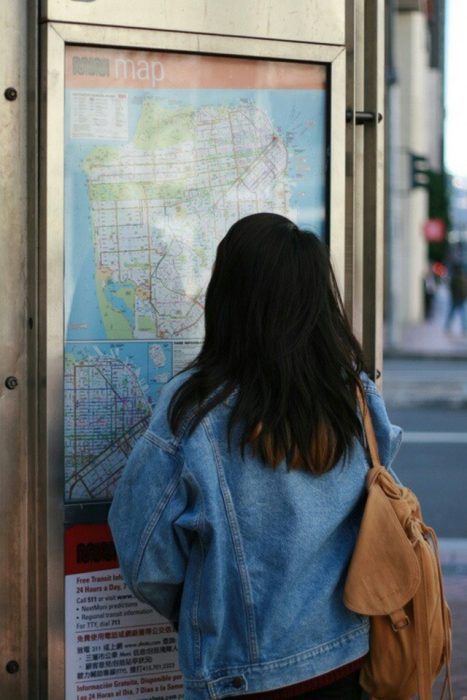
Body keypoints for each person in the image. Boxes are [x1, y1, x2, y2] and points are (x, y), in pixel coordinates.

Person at [109, 213, 402, 700]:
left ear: (228, 299)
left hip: (243, 678)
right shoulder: (355, 395)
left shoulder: (195, 410)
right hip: (354, 662)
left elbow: (146, 559)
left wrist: (210, 606)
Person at [445, 263, 467, 333]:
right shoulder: (463, 278)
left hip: (457, 298)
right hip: (460, 298)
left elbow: (451, 288)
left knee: (453, 313)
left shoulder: (456, 278)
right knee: (462, 314)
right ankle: (464, 328)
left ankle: (448, 326)